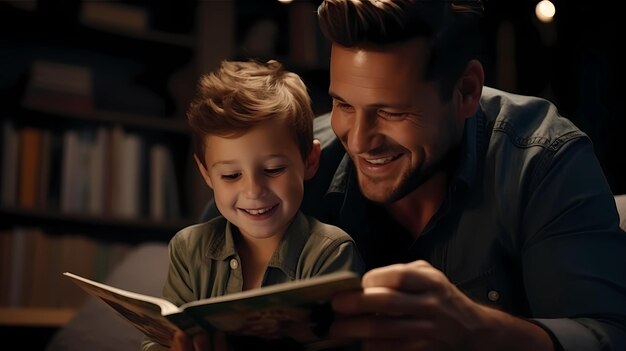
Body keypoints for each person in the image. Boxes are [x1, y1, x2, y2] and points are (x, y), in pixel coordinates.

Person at [295, 0, 626, 350]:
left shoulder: (541, 160)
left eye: (391, 112)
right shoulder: (296, 168)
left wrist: (479, 331)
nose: (359, 141)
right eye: (343, 105)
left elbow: (611, 336)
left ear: (466, 91)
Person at [141, 59, 365, 351]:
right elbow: (157, 341)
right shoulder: (188, 248)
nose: (253, 191)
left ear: (310, 161)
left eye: (273, 170)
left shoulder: (330, 254)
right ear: (207, 174)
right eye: (231, 175)